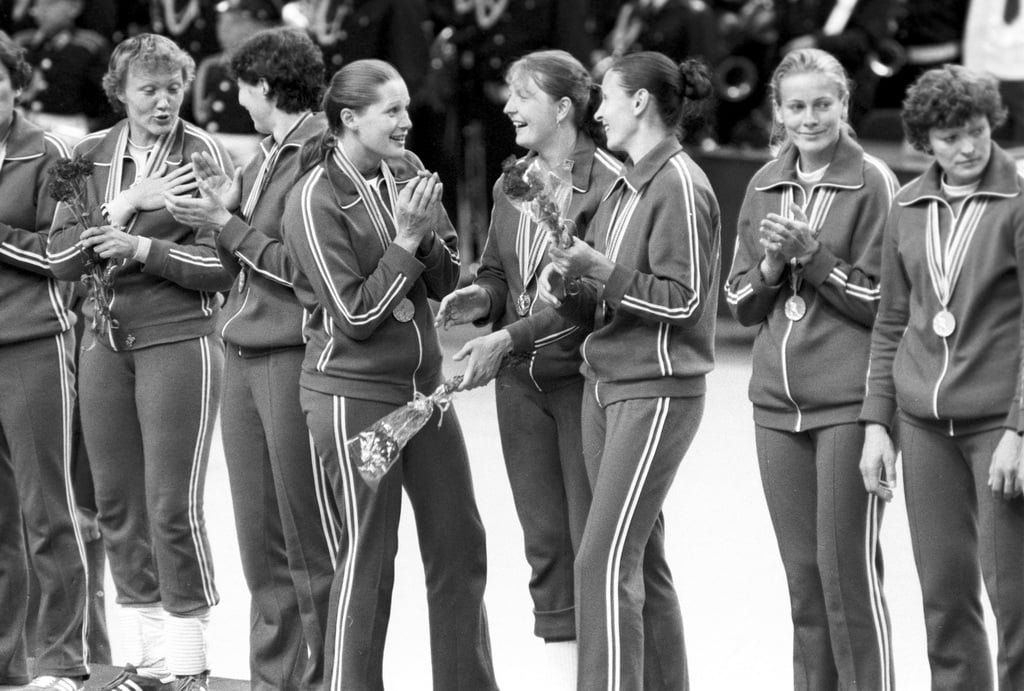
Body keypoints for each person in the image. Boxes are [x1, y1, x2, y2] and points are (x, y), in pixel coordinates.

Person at [282, 58, 498, 691]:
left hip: (424, 400)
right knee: (371, 561)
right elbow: (353, 315)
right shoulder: (314, 198)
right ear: (349, 119)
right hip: (357, 404)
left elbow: (442, 282)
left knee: (460, 544)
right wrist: (406, 237)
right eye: (393, 111)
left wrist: (425, 238)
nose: (408, 122)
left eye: (407, 107)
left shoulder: (406, 172)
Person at [46, 32, 235, 691]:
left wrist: (142, 248)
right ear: (119, 92)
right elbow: (62, 258)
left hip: (179, 337)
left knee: (170, 501)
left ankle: (189, 662)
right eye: (147, 89)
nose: (162, 101)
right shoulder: (90, 155)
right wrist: (124, 203)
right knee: (118, 502)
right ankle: (150, 660)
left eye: (173, 88)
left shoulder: (202, 154)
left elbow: (223, 268)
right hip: (103, 339)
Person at [434, 48, 621, 689]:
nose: (507, 106)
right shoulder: (512, 180)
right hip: (521, 389)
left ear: (564, 108)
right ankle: (559, 678)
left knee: (597, 551)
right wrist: (479, 297)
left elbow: (590, 300)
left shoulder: (609, 185)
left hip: (583, 387)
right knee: (545, 549)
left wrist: (506, 336)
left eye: (522, 95)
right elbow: (498, 271)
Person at [538, 51, 721, 691]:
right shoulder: (624, 184)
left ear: (639, 102)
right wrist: (568, 281)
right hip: (607, 385)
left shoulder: (680, 183)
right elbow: (606, 295)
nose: (599, 111)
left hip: (656, 391)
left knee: (602, 561)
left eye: (607, 98)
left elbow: (687, 300)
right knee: (640, 556)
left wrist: (598, 268)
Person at [164, 26, 337, 691]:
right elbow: (237, 247)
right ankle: (273, 677)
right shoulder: (267, 153)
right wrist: (216, 215)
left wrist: (224, 224)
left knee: (304, 538)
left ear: (264, 87)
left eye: (241, 85)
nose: (236, 96)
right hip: (243, 347)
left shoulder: (320, 153)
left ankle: (319, 675)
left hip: (292, 354)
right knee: (260, 539)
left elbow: (306, 269)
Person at [724, 47, 898, 690]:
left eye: (822, 104)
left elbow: (888, 305)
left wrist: (815, 258)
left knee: (846, 579)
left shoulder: (874, 182)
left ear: (844, 106)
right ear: (778, 111)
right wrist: (772, 270)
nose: (809, 117)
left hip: (848, 403)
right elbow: (740, 305)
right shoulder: (764, 183)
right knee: (804, 586)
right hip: (775, 407)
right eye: (796, 106)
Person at [859, 64, 1024, 690]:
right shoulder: (906, 204)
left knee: (1016, 603)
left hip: (997, 427)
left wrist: (1020, 428)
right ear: (925, 140)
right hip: (924, 426)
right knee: (944, 601)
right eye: (951, 137)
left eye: (978, 131)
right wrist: (879, 425)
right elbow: (891, 320)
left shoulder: (1018, 200)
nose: (969, 148)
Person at [0, 30, 89, 691]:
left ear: (16, 83)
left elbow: (69, 254)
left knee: (46, 511)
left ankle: (60, 660)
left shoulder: (62, 153)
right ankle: (10, 663)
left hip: (32, 343)